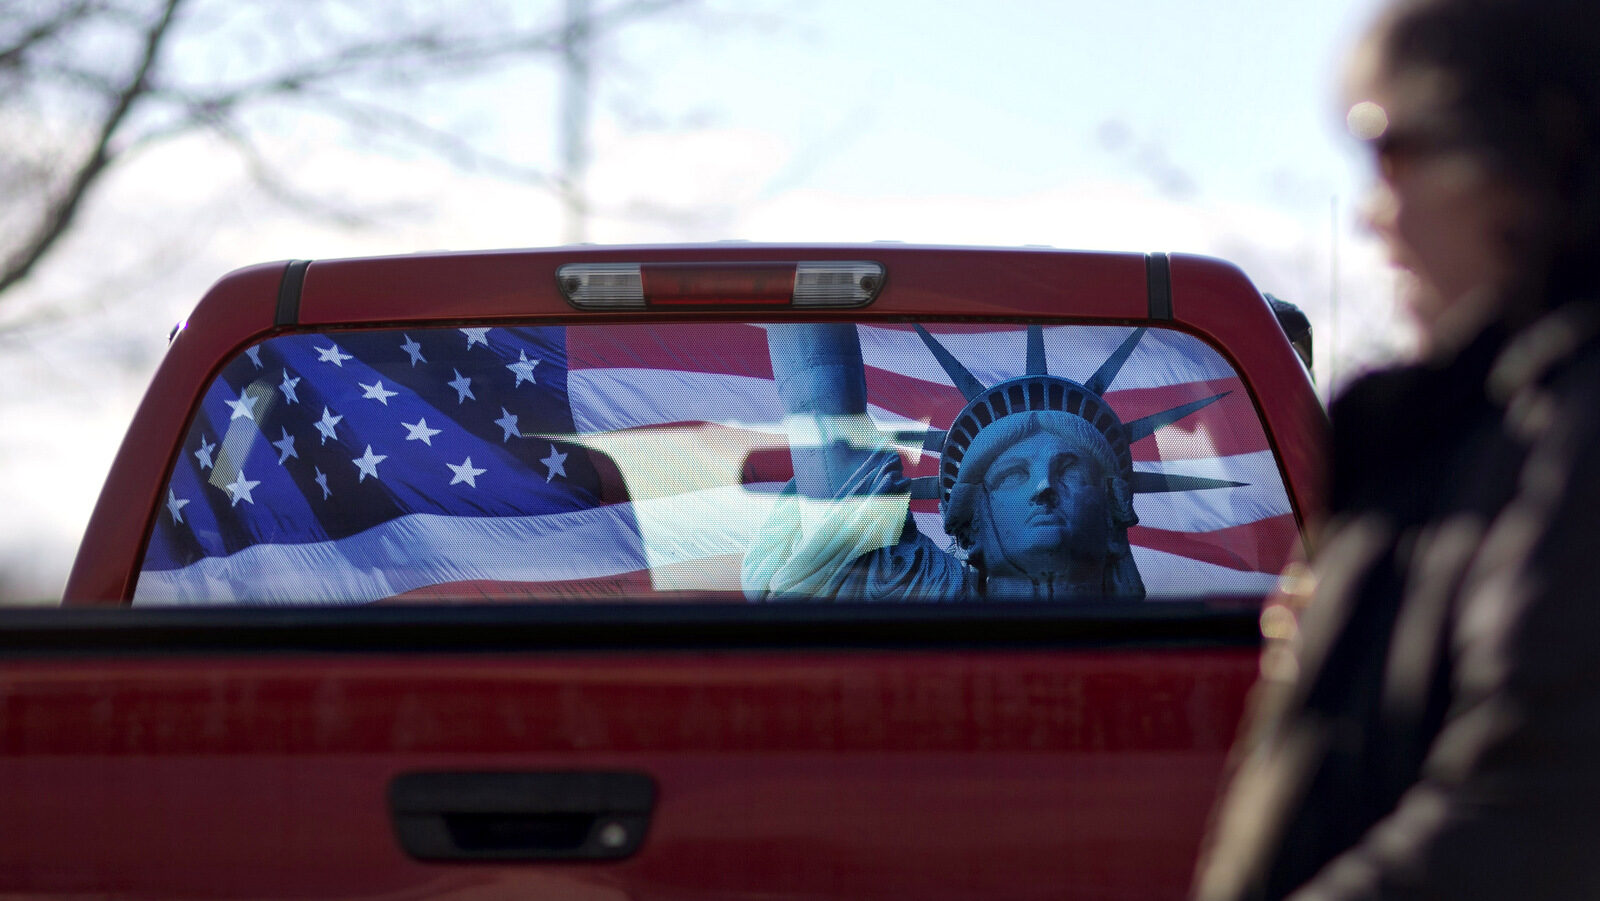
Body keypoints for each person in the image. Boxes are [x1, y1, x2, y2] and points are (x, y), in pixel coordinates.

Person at [1193, 0, 1600, 897]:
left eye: (1391, 145)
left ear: (1535, 146)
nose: (1375, 213)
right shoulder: (1472, 428)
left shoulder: (1568, 439)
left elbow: (1534, 813)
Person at [742, 323, 1231, 601]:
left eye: (1071, 471)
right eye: (1013, 475)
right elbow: (832, 442)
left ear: (1114, 512)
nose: (1043, 487)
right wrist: (812, 289)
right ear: (971, 526)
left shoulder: (1203, 638)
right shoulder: (922, 596)